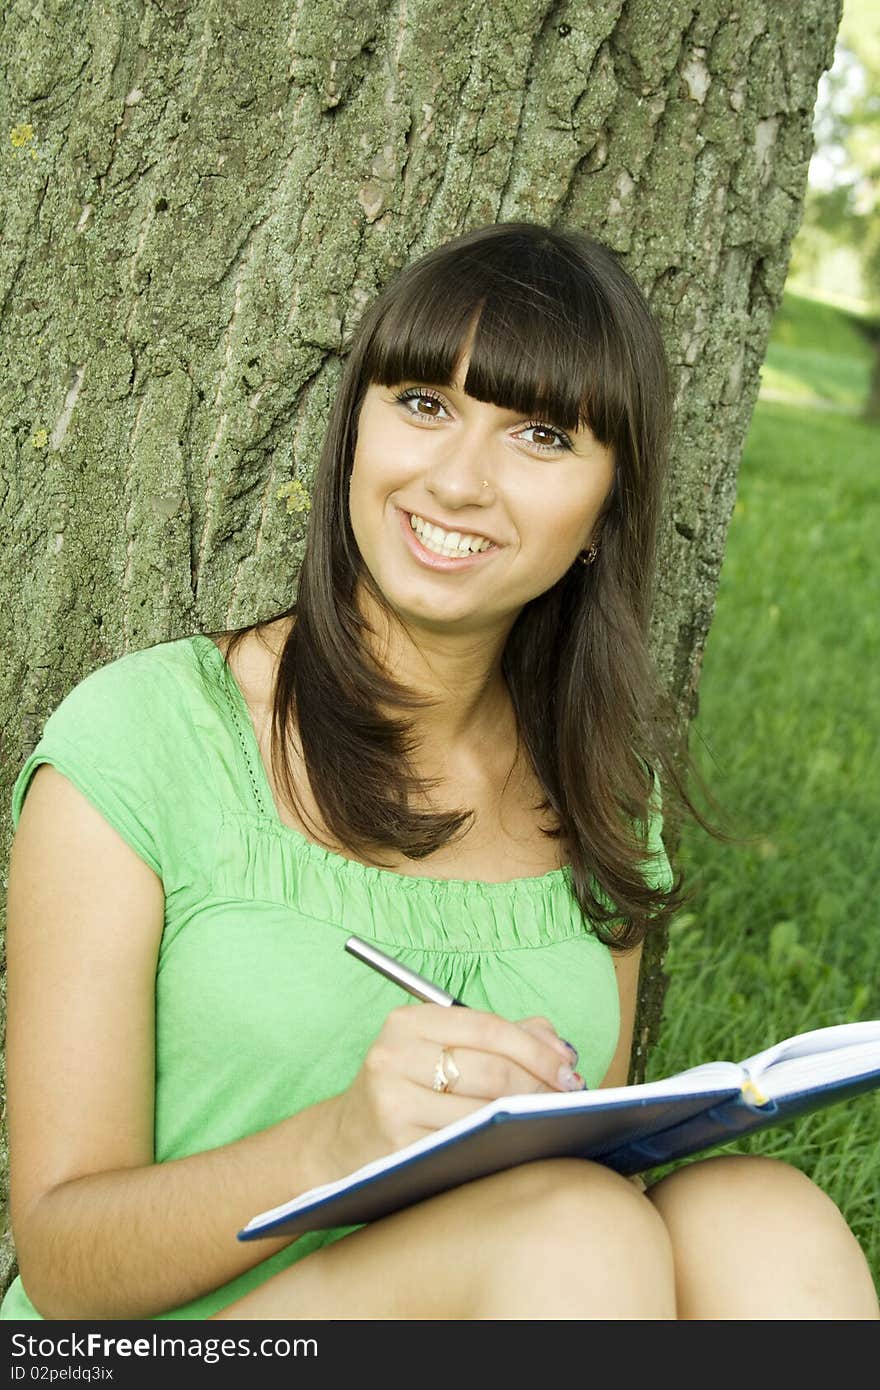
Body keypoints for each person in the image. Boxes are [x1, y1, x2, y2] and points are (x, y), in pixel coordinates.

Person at [3, 221, 877, 1322]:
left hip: (503, 1293)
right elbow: (67, 1265)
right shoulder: (147, 734)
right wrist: (336, 1140)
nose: (458, 480)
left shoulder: (595, 788)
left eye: (542, 437)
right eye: (423, 405)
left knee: (760, 1215)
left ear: (606, 513)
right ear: (356, 434)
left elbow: (562, 1183)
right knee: (574, 1227)